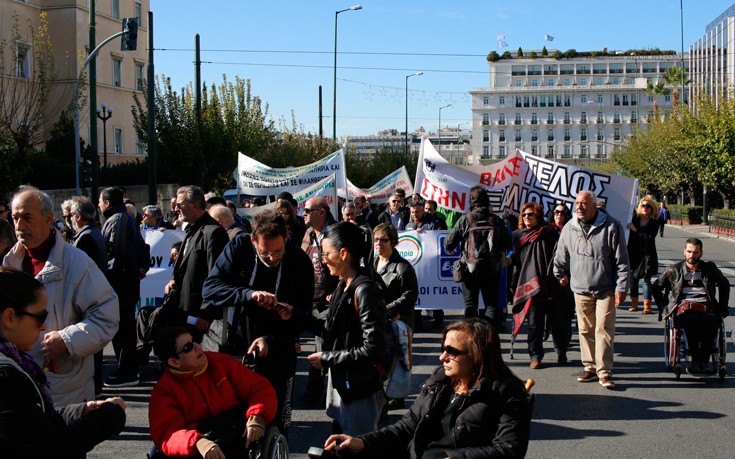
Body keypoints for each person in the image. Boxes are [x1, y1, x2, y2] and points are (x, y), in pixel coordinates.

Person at [322, 318, 530, 458]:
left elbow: (509, 450)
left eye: (451, 351)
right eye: (442, 348)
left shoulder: (506, 393)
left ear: (477, 355)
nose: (442, 357)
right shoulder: (440, 380)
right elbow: (406, 427)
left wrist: (455, 458)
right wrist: (361, 442)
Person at [4, 186, 119, 406]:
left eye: (27, 217)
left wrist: (68, 340)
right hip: (16, 387)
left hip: (63, 391)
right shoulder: (9, 263)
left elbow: (107, 315)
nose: (19, 226)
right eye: (15, 218)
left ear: (48, 219)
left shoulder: (77, 263)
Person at [203, 210, 314, 436]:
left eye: (278, 252)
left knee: (276, 420)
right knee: (232, 419)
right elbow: (210, 288)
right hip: (237, 345)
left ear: (287, 237)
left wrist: (272, 338)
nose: (272, 258)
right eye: (265, 253)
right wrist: (248, 295)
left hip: (279, 348)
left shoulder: (299, 260)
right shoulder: (239, 247)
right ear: (253, 241)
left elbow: (304, 315)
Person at [0, 268, 127, 458]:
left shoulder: (14, 364)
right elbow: (54, 446)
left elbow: (31, 421)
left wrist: (79, 411)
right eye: (40, 317)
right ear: (10, 317)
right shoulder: (5, 377)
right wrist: (110, 415)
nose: (43, 326)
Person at [304, 222, 388, 436]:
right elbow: (329, 327)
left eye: (326, 254)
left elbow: (372, 349)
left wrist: (328, 357)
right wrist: (293, 315)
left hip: (359, 388)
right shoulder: (343, 285)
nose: (323, 260)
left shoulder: (365, 290)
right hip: (343, 382)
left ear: (343, 253)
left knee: (356, 446)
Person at [148, 326, 277, 458]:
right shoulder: (164, 391)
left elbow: (259, 387)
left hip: (235, 432)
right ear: (174, 362)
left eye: (194, 341)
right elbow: (167, 433)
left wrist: (257, 416)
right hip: (197, 441)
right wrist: (198, 442)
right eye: (188, 347)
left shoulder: (221, 362)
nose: (198, 347)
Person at [553, 190, 629, 389]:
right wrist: (560, 274)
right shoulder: (569, 228)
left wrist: (622, 287)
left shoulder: (612, 226)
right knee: (585, 329)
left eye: (584, 203)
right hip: (580, 288)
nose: (579, 207)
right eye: (577, 203)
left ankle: (604, 371)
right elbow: (561, 254)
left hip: (606, 289)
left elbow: (622, 260)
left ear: (595, 206)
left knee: (603, 329)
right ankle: (590, 367)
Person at [652, 238, 729, 373]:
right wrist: (663, 307)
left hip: (706, 307)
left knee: (711, 321)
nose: (691, 255)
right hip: (684, 308)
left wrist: (723, 306)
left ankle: (704, 361)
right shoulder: (674, 270)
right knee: (690, 321)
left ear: (701, 253)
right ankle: (694, 360)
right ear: (684, 251)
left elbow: (724, 284)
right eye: (689, 252)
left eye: (695, 252)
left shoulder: (709, 268)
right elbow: (656, 286)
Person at [99, 187, 150, 388]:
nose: (99, 206)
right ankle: (127, 369)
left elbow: (118, 253)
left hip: (120, 285)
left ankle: (127, 371)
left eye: (100, 202)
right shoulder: (126, 218)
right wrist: (139, 267)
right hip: (126, 283)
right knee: (125, 329)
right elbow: (140, 248)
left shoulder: (118, 220)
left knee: (123, 331)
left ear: (107, 203)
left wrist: (131, 270)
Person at [511, 202, 568, 369]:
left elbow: (560, 256)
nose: (527, 218)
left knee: (558, 321)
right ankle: (535, 355)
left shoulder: (549, 233)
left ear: (539, 216)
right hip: (530, 287)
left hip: (553, 284)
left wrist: (563, 275)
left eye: (531, 215)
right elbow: (513, 261)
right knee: (535, 323)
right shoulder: (517, 235)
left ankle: (560, 351)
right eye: (524, 215)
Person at [165, 185, 229, 334]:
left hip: (198, 317)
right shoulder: (192, 230)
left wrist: (206, 313)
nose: (176, 209)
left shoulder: (213, 232)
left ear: (195, 205)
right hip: (182, 310)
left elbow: (217, 276)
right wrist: (173, 280)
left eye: (180, 204)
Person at [444, 186, 512, 324]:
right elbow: (507, 243)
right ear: (487, 200)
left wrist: (453, 247)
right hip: (492, 269)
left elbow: (448, 243)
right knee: (491, 305)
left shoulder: (465, 219)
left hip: (469, 269)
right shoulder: (496, 220)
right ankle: (489, 337)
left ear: (471, 201)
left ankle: (470, 339)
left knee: (470, 306)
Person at [373, 223, 418, 412]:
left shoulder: (403, 267)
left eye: (383, 240)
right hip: (379, 320)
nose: (378, 244)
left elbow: (409, 295)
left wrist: (387, 310)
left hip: (398, 321)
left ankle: (395, 397)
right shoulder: (373, 263)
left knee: (397, 361)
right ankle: (386, 398)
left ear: (393, 242)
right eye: (376, 240)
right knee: (382, 362)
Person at [299, 197, 339, 405]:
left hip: (328, 301)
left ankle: (317, 391)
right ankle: (319, 389)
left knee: (321, 345)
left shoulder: (335, 233)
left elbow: (345, 264)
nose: (303, 213)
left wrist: (339, 291)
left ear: (322, 212)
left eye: (308, 210)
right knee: (319, 346)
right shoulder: (307, 233)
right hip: (310, 300)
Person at [626, 196, 660, 314]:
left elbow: (650, 237)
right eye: (643, 205)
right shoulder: (634, 219)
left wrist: (636, 231)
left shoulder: (654, 222)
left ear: (652, 208)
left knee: (646, 280)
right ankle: (634, 303)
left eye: (648, 206)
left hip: (647, 255)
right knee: (633, 279)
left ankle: (647, 306)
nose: (645, 208)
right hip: (633, 254)